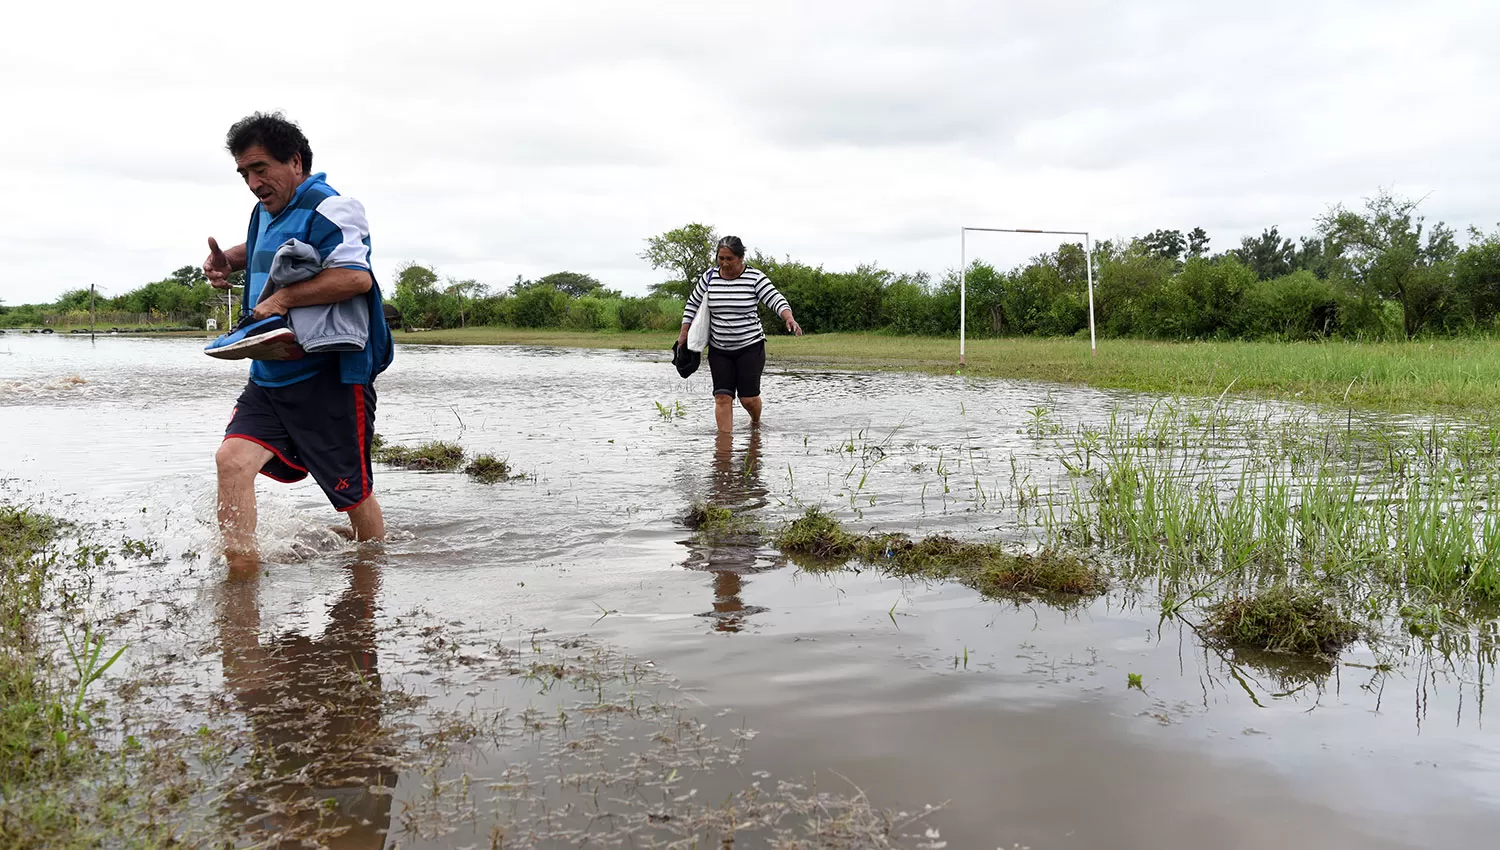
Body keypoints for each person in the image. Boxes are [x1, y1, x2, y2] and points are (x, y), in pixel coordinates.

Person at [204, 112, 393, 563]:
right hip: (269, 374)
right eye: (244, 173)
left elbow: (354, 278)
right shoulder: (264, 211)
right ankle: (241, 583)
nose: (253, 182)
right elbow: (266, 248)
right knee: (231, 461)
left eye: (260, 169)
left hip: (327, 378)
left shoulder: (332, 207)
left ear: (294, 162)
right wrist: (229, 260)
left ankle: (371, 579)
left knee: (352, 496)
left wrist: (283, 298)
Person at [677, 236, 802, 433]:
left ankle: (755, 421)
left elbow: (775, 298)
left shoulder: (755, 277)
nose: (724, 263)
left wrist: (789, 318)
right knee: (722, 397)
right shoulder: (709, 277)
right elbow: (692, 305)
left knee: (748, 398)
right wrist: (683, 333)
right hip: (719, 348)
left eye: (729, 259)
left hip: (750, 346)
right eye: (721, 258)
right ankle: (723, 451)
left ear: (741, 258)